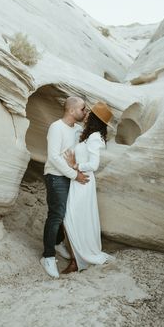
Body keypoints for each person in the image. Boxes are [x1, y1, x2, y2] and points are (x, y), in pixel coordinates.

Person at [62, 101, 115, 274]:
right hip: (78, 182)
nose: (86, 114)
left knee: (73, 218)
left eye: (90, 113)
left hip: (83, 181)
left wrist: (75, 165)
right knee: (75, 218)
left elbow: (94, 164)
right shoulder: (89, 135)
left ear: (94, 119)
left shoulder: (94, 137)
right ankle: (76, 257)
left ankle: (77, 261)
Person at [40, 96, 89, 278]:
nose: (85, 112)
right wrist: (75, 175)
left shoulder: (78, 130)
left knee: (65, 214)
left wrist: (77, 169)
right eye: (82, 109)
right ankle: (48, 256)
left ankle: (58, 242)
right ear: (71, 110)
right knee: (56, 215)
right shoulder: (56, 127)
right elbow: (54, 157)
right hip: (56, 176)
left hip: (70, 177)